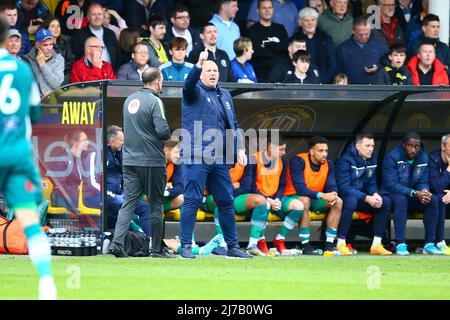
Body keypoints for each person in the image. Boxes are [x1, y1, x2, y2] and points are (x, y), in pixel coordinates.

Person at [0, 16, 57, 300]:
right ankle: (46, 282)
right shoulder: (23, 70)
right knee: (30, 221)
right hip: (17, 153)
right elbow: (35, 112)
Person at [179, 49, 252, 259]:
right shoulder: (194, 92)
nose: (212, 73)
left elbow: (234, 124)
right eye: (208, 70)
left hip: (220, 158)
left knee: (227, 201)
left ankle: (233, 247)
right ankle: (185, 245)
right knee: (192, 200)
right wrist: (198, 63)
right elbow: (187, 85)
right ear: (201, 73)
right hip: (196, 155)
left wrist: (240, 148)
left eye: (215, 70)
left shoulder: (225, 94)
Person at [109, 68, 174, 259]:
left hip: (130, 160)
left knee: (128, 203)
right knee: (156, 204)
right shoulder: (155, 101)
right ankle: (156, 249)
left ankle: (117, 243)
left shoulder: (129, 100)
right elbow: (163, 132)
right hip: (151, 161)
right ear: (157, 82)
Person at [237, 136, 305, 256]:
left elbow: (282, 184)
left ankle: (279, 238)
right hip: (258, 200)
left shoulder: (282, 161)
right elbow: (250, 186)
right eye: (281, 149)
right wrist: (268, 199)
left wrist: (278, 199)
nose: (284, 153)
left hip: (275, 199)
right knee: (265, 203)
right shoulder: (253, 158)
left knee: (299, 205)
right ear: (270, 147)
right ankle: (260, 242)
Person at [382, 132, 441, 255]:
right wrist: (414, 192)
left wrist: (424, 191)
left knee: (433, 200)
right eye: (410, 146)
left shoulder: (424, 157)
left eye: (416, 146)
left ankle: (429, 244)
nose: (413, 149)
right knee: (401, 199)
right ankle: (400, 244)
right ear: (403, 145)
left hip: (412, 194)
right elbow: (391, 184)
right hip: (390, 194)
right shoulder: (392, 156)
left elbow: (423, 180)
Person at [335, 132, 393, 256]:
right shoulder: (345, 160)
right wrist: (367, 198)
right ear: (357, 146)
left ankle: (376, 244)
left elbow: (371, 182)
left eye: (372, 146)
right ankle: (341, 243)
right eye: (367, 146)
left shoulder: (372, 159)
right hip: (346, 196)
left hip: (363, 197)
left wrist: (375, 194)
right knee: (351, 200)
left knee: (385, 201)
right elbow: (344, 187)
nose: (371, 149)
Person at [283, 136, 343, 256]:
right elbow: (301, 189)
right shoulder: (298, 160)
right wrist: (322, 195)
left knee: (338, 201)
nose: (324, 154)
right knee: (304, 200)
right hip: (293, 197)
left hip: (316, 198)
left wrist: (333, 195)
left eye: (326, 151)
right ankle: (305, 245)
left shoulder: (328, 163)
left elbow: (332, 184)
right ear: (311, 151)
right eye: (320, 151)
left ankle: (329, 244)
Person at [106, 125, 151, 235]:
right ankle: (113, 238)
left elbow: (125, 178)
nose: (123, 143)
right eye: (121, 140)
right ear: (112, 141)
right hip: (107, 197)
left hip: (121, 195)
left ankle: (149, 240)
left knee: (145, 208)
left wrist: (125, 194)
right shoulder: (101, 155)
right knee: (116, 205)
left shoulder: (121, 155)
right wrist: (114, 196)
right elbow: (97, 182)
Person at [336, 16, 389, 84]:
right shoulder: (343, 48)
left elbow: (389, 66)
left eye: (366, 34)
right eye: (360, 35)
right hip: (352, 90)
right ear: (353, 31)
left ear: (370, 30)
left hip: (376, 90)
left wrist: (378, 69)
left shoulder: (381, 45)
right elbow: (338, 73)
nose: (364, 37)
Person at [246, 0, 289, 82]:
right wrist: (276, 49)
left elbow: (285, 49)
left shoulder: (280, 28)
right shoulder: (252, 30)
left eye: (270, 7)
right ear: (258, 10)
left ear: (273, 9)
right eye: (264, 8)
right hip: (260, 76)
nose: (267, 10)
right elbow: (256, 52)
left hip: (281, 76)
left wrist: (266, 46)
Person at [70, 2, 120, 70]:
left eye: (99, 14)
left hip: (110, 75)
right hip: (88, 77)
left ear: (103, 16)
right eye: (93, 14)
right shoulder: (78, 35)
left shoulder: (111, 34)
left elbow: (117, 57)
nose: (97, 17)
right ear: (88, 17)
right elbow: (75, 58)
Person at [293, 7, 336, 83]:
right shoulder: (294, 40)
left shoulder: (325, 38)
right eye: (307, 20)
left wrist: (321, 80)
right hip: (301, 82)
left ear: (316, 21)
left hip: (323, 82)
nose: (310, 23)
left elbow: (332, 64)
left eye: (313, 20)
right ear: (300, 22)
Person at [428, 133, 450, 255]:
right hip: (436, 197)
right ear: (443, 146)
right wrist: (449, 170)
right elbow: (436, 187)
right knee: (440, 198)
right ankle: (440, 242)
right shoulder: (432, 159)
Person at [46, 16, 75, 84]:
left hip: (64, 75)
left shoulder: (66, 40)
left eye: (58, 26)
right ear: (46, 29)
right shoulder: (41, 44)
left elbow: (71, 61)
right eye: (53, 26)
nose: (56, 29)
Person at [163, 138, 184, 214]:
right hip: (148, 196)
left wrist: (166, 193)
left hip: (162, 196)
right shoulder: (153, 161)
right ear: (166, 150)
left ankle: (158, 209)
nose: (178, 156)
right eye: (176, 152)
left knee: (181, 198)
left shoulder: (176, 163)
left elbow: (180, 187)